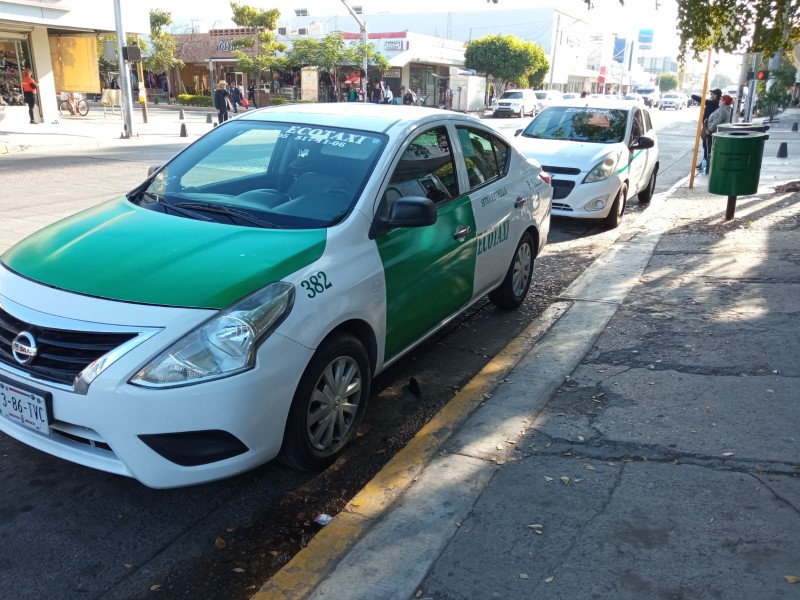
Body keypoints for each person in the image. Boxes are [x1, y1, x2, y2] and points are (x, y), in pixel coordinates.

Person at [693, 88, 721, 167]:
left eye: (712, 94)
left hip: (708, 127)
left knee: (707, 145)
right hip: (708, 125)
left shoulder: (713, 103)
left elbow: (700, 99)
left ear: (716, 95)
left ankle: (705, 163)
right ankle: (705, 162)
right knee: (706, 145)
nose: (711, 95)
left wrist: (694, 95)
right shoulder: (714, 102)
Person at [705, 94, 734, 164]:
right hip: (718, 132)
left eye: (721, 100)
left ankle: (710, 165)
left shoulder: (723, 110)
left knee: (712, 150)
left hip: (715, 132)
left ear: (724, 101)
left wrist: (709, 130)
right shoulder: (726, 109)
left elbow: (717, 121)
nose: (720, 101)